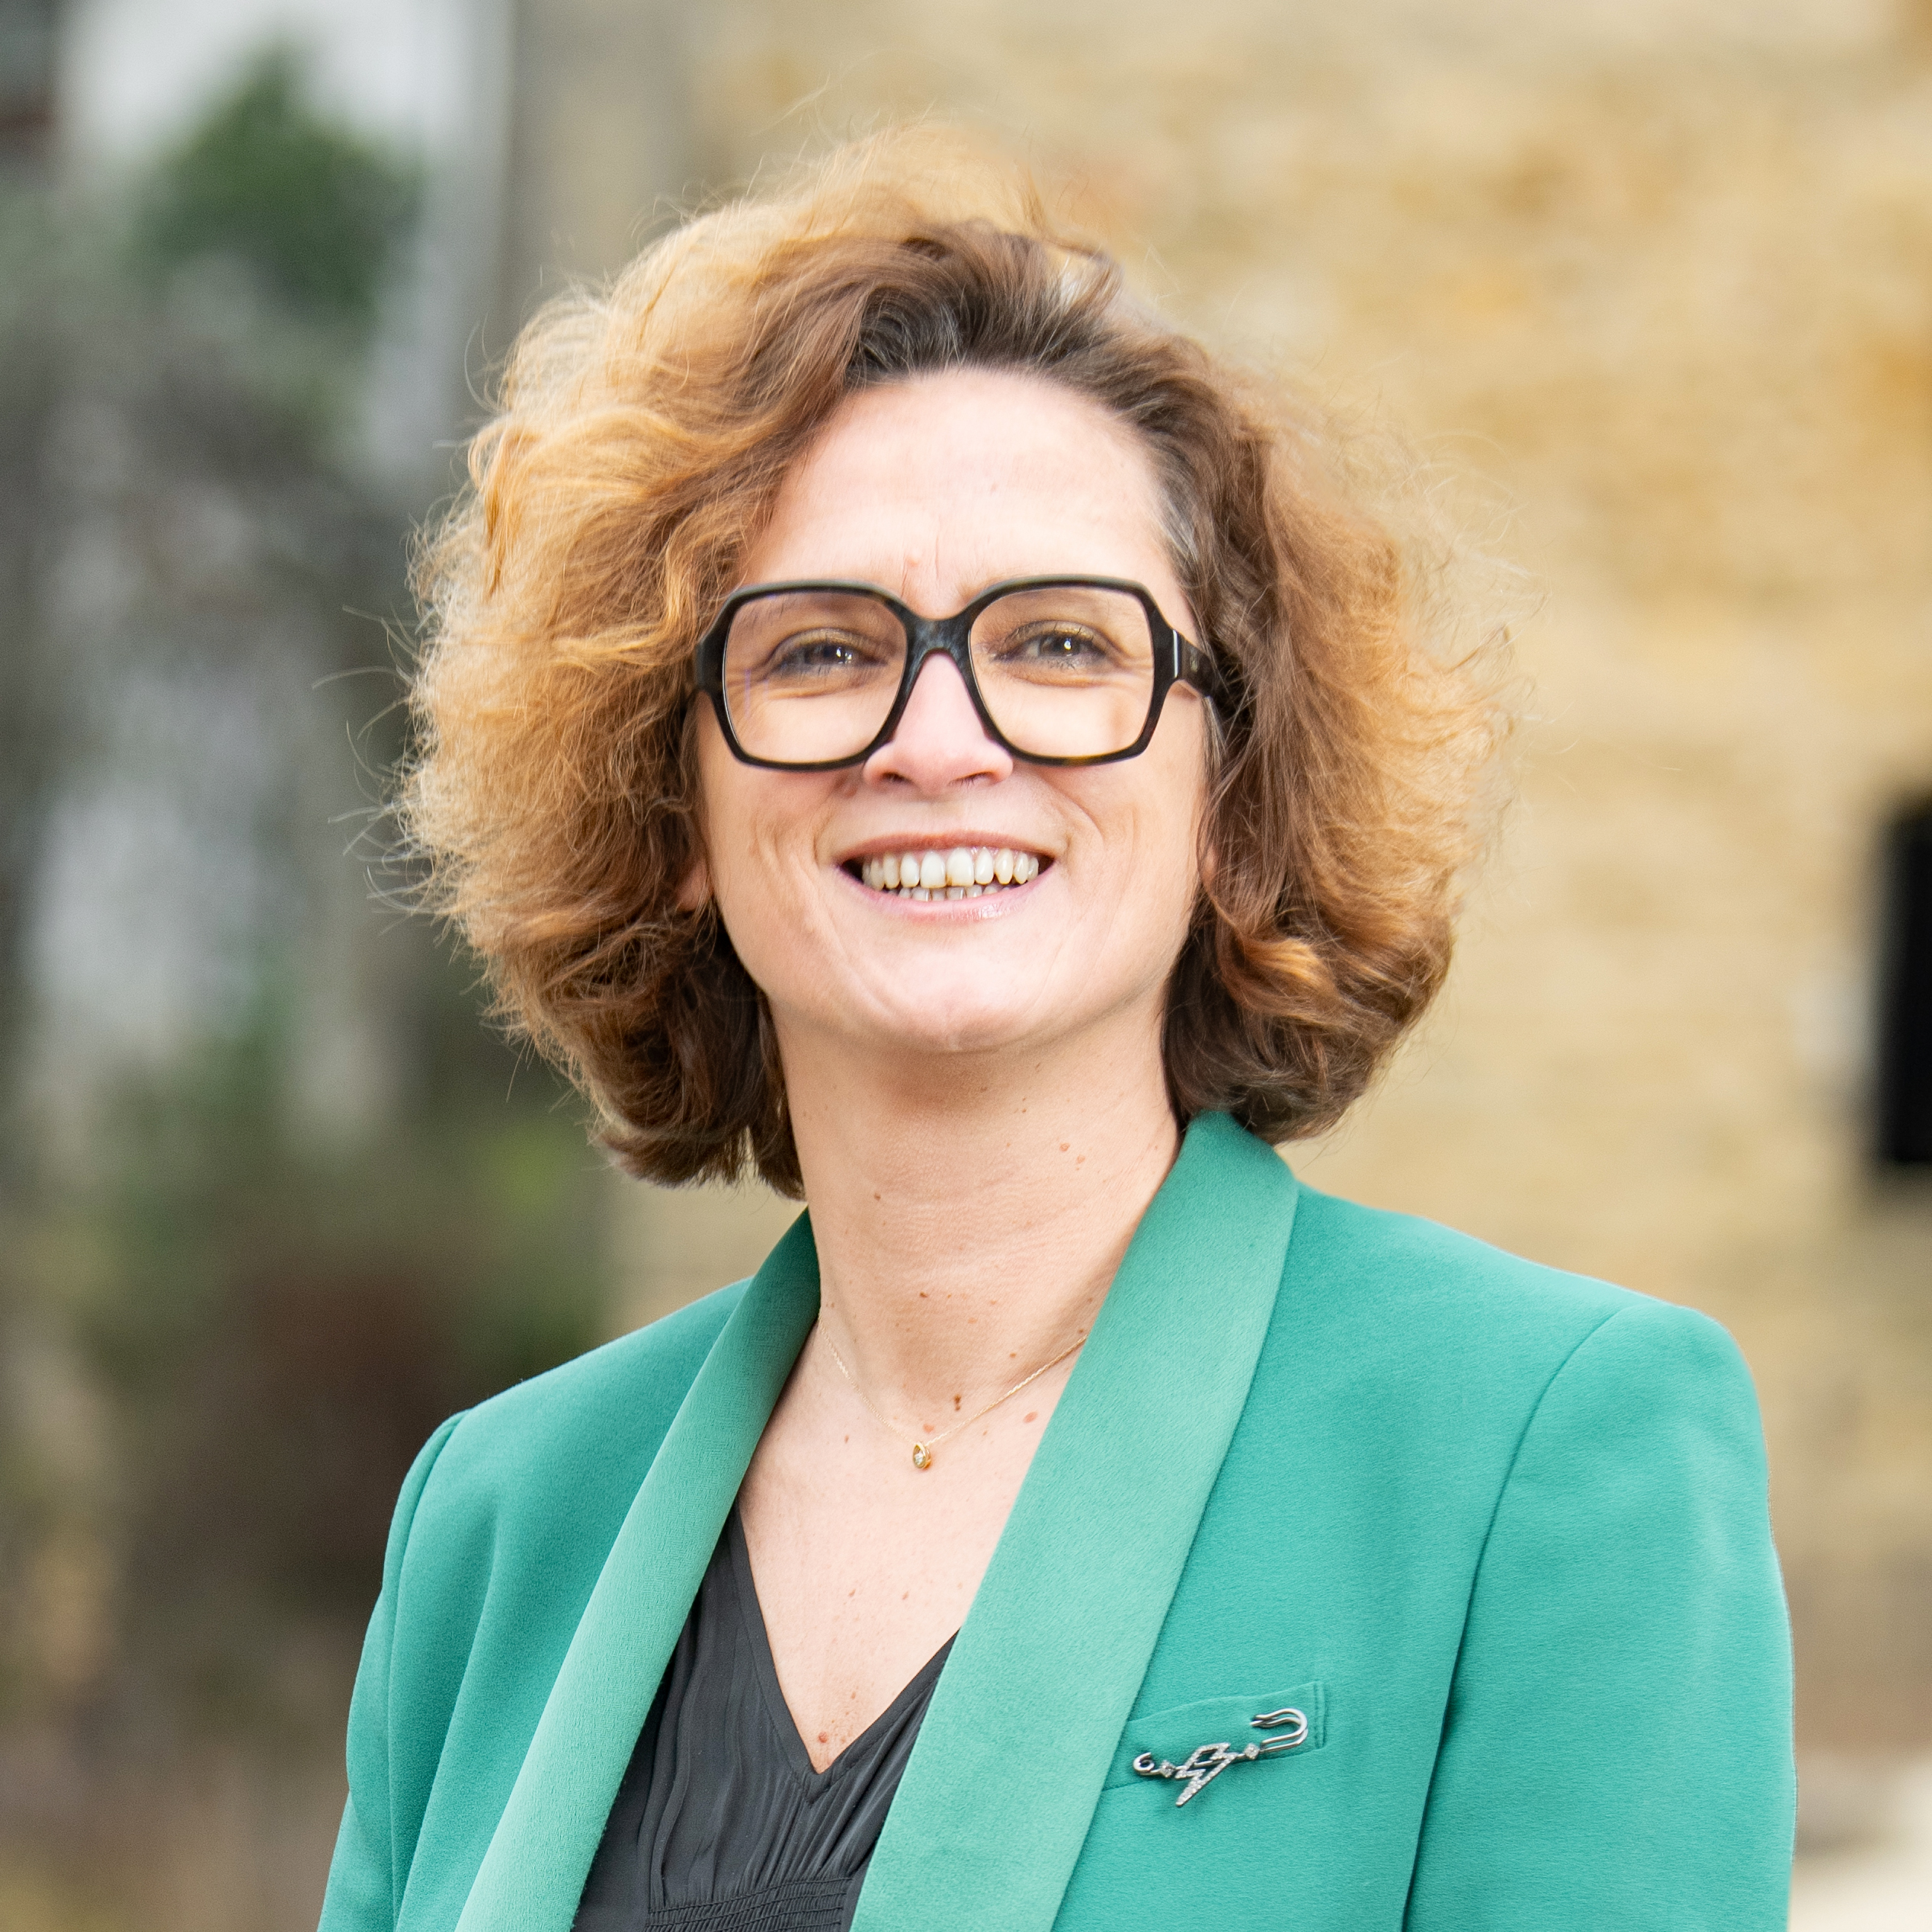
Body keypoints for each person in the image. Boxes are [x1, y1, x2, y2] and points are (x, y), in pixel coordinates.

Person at [318, 132, 1793, 1932]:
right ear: (671, 804)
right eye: (816, 651)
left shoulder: (1540, 1448)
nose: (935, 740)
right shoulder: (496, 1524)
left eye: (1062, 647)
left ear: (1231, 800)